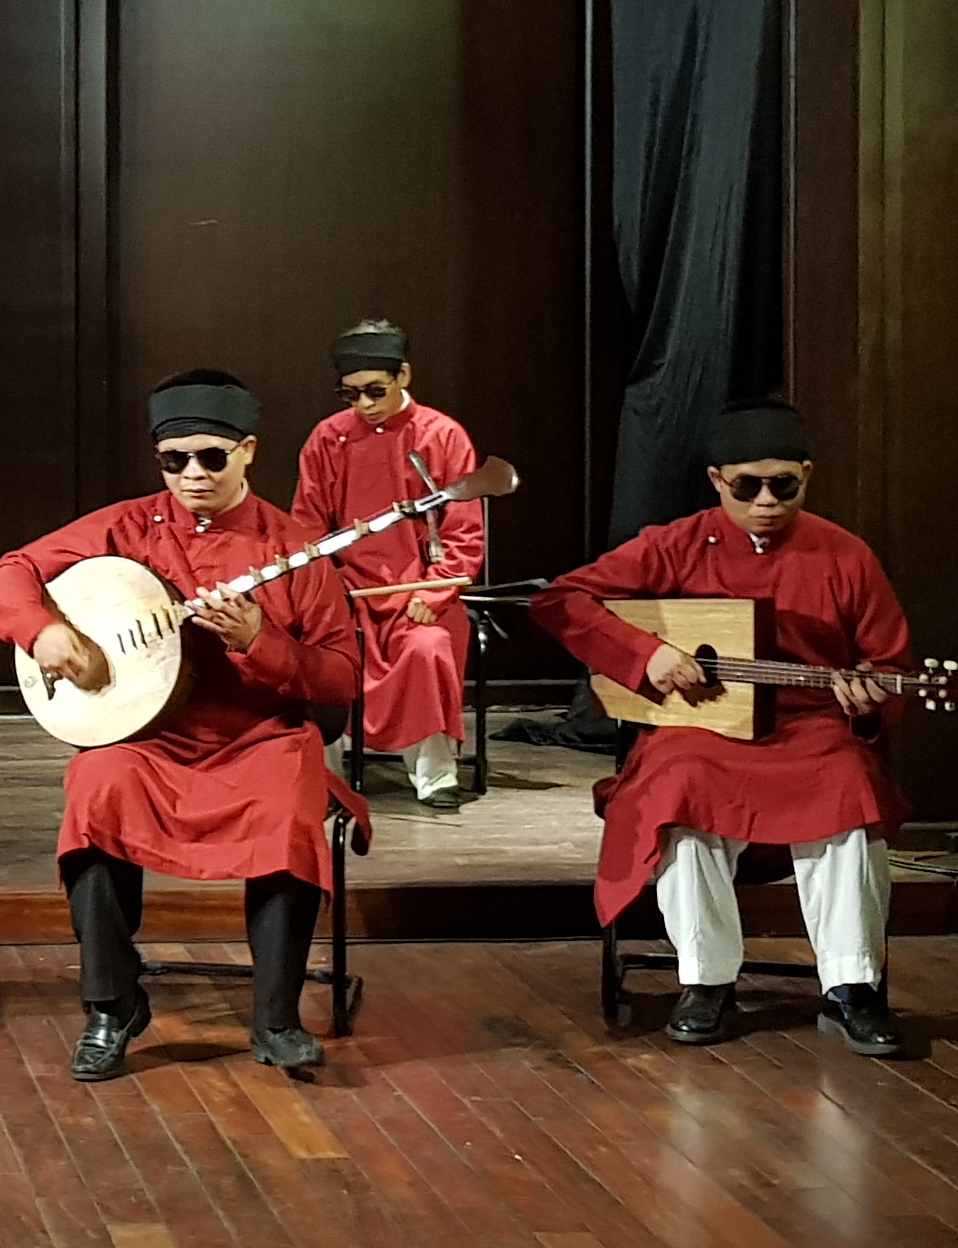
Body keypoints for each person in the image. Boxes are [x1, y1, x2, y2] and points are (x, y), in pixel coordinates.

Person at [0, 370, 365, 1081]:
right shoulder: (126, 526)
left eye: (211, 457)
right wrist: (41, 632)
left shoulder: (296, 550)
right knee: (96, 787)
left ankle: (277, 1020)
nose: (192, 474)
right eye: (174, 460)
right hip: (150, 741)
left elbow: (341, 679)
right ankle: (112, 1006)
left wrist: (261, 641)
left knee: (288, 803)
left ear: (248, 451)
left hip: (261, 737)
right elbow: (13, 570)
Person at [529, 398, 912, 1057]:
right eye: (747, 486)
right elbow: (561, 599)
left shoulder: (845, 555)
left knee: (848, 784)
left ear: (807, 476)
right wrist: (648, 655)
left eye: (783, 486)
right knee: (678, 784)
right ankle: (706, 979)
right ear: (716, 480)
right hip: (700, 727)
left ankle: (852, 985)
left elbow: (890, 664)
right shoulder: (675, 544)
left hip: (808, 726)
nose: (765, 502)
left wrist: (868, 701)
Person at [291, 319, 490, 808]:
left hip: (419, 591)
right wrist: (324, 592)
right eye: (351, 394)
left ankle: (435, 775)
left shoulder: (443, 435)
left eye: (375, 391)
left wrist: (434, 591)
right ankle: (324, 776)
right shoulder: (328, 438)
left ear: (404, 375)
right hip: (347, 593)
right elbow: (306, 528)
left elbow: (464, 532)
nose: (364, 404)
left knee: (427, 648)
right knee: (316, 655)